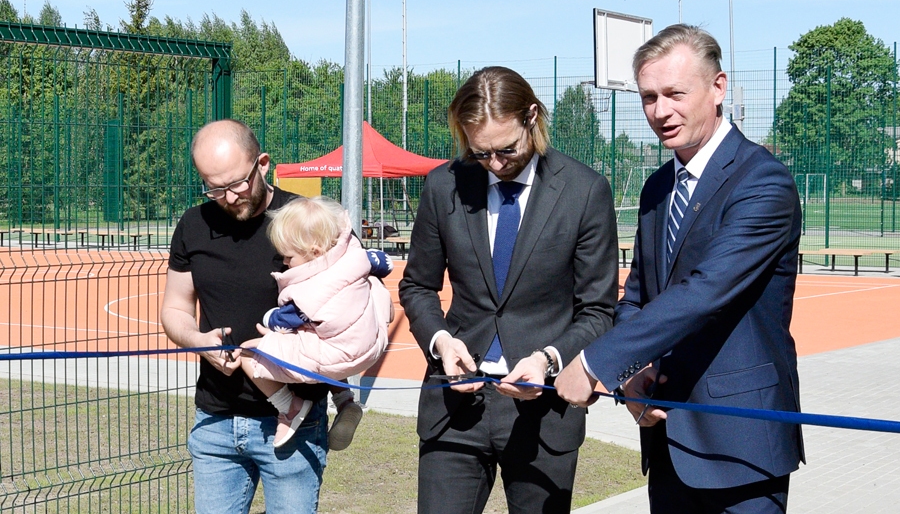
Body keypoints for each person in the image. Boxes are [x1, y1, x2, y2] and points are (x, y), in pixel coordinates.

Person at [556, 24, 805, 514]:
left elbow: (706, 291)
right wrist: (631, 373)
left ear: (718, 87)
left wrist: (594, 363)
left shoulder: (764, 183)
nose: (660, 111)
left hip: (742, 448)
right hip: (666, 437)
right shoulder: (656, 189)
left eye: (675, 93)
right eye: (649, 97)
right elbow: (637, 296)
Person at [398, 66, 619, 514]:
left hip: (545, 411)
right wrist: (441, 342)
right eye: (481, 153)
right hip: (455, 406)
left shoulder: (585, 190)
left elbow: (598, 310)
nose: (495, 164)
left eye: (506, 150)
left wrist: (548, 360)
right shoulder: (444, 185)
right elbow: (418, 286)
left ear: (532, 117)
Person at [160, 119, 330, 513]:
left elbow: (352, 303)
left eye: (237, 183)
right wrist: (197, 341)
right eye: (213, 187)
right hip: (215, 420)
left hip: (292, 423)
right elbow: (174, 309)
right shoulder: (193, 225)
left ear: (263, 164)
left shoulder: (306, 221)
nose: (229, 197)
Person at [240, 195, 392, 449]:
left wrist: (268, 321)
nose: (285, 263)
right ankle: (345, 399)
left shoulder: (310, 291)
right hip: (370, 340)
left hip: (343, 353)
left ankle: (289, 407)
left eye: (288, 257)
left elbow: (283, 320)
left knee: (249, 351)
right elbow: (383, 263)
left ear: (314, 252)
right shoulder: (354, 256)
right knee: (322, 336)